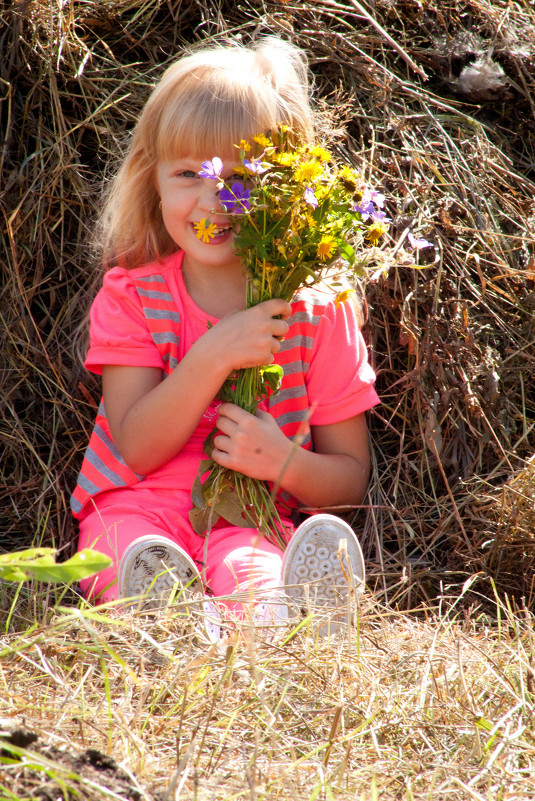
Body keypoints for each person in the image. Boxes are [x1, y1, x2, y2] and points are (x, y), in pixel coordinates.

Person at [72, 36, 380, 633]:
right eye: (189, 172)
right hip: (134, 508)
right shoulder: (133, 297)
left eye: (243, 177)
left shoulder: (316, 312)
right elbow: (135, 448)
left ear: (290, 191)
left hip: (249, 517)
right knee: (124, 554)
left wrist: (282, 460)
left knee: (254, 573)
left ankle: (287, 615)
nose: (214, 199)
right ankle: (172, 617)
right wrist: (214, 353)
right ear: (151, 179)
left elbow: (349, 479)